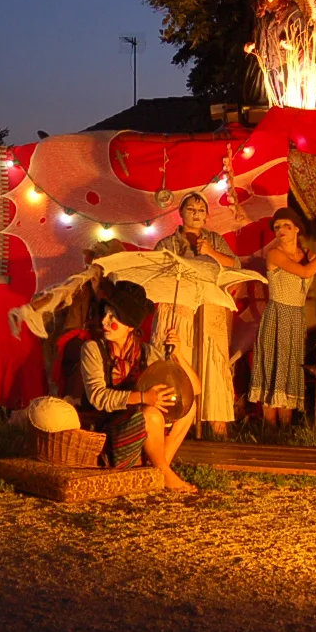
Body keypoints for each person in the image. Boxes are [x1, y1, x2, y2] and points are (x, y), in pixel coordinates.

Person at [79, 280, 197, 492]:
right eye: (105, 315)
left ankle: (160, 469)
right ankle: (163, 473)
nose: (104, 322)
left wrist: (177, 354)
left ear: (130, 325)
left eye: (113, 317)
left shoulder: (147, 353)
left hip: (140, 431)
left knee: (189, 409)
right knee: (150, 414)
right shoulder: (93, 350)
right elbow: (98, 397)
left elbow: (194, 389)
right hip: (108, 434)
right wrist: (143, 398)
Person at [153, 193, 239, 438]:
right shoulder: (167, 243)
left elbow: (235, 265)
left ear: (207, 215)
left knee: (212, 362)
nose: (196, 213)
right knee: (180, 362)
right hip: (178, 307)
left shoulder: (214, 240)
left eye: (201, 209)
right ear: (181, 213)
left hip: (209, 309)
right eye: (191, 209)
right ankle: (179, 424)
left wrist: (211, 252)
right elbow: (157, 272)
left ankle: (216, 425)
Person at [252, 208, 316, 428]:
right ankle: (269, 429)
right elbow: (307, 273)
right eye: (277, 226)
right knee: (273, 367)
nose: (280, 230)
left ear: (297, 229)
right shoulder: (275, 254)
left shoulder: (304, 254)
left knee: (290, 367)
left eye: (286, 225)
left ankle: (286, 428)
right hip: (278, 314)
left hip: (295, 316)